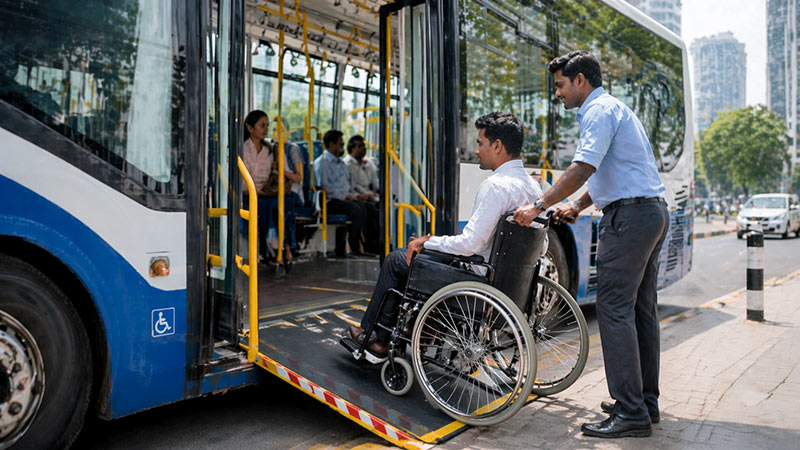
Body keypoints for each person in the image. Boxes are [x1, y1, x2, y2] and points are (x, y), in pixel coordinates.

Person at [513, 50, 669, 438]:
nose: (558, 94)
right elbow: (612, 171)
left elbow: (584, 167)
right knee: (640, 310)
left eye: (562, 85)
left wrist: (539, 205)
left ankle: (630, 411)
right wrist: (578, 205)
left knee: (614, 308)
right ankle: (644, 403)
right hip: (650, 212)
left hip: (630, 219)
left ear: (581, 80)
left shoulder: (598, 112)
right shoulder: (617, 109)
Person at [349, 111, 544, 358]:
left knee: (398, 260)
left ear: (497, 145)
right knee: (436, 254)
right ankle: (422, 328)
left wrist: (427, 240)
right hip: (510, 286)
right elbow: (543, 247)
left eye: (479, 143)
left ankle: (376, 338)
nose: (476, 151)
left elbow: (470, 244)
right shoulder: (534, 187)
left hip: (479, 284)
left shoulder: (496, 186)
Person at [241, 110, 296, 264]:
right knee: (271, 207)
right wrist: (256, 190)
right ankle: (273, 248)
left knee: (285, 203)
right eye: (262, 125)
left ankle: (281, 247)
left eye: (267, 126)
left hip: (267, 193)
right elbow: (242, 180)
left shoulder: (271, 150)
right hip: (249, 193)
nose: (266, 129)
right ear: (250, 128)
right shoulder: (243, 150)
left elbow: (289, 175)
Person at [314, 130, 369, 256]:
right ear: (331, 144)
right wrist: (346, 196)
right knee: (355, 209)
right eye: (340, 144)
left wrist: (354, 196)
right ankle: (353, 246)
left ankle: (369, 246)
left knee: (366, 207)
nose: (343, 148)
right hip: (328, 200)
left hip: (343, 199)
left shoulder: (341, 164)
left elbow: (347, 187)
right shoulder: (322, 163)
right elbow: (324, 188)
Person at [343, 135, 380, 253]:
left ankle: (377, 244)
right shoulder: (347, 164)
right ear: (352, 148)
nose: (363, 149)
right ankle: (368, 245)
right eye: (360, 146)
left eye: (363, 145)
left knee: (381, 209)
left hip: (370, 196)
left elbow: (376, 183)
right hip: (356, 196)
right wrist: (365, 195)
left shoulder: (369, 163)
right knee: (368, 210)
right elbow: (351, 186)